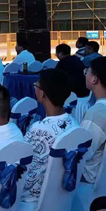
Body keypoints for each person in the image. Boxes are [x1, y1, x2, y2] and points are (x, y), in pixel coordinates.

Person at [21, 69, 78, 204]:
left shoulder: (38, 129)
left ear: (42, 93)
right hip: (61, 191)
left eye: (36, 85)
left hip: (35, 197)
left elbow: (22, 161)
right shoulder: (74, 123)